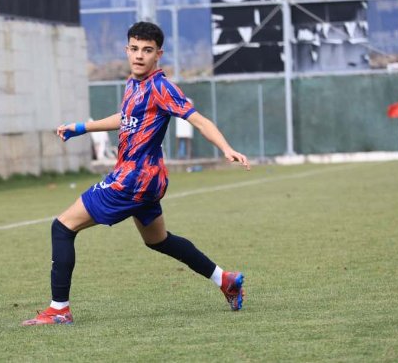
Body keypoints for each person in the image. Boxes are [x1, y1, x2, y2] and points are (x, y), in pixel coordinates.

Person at [22, 22, 250, 326]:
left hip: (132, 180)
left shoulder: (161, 87)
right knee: (159, 240)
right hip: (149, 180)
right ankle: (226, 279)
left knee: (62, 227)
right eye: (134, 49)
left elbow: (198, 120)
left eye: (147, 50)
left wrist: (226, 147)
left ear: (159, 54)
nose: (139, 56)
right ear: (127, 49)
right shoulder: (133, 83)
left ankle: (59, 309)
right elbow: (126, 117)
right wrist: (82, 127)